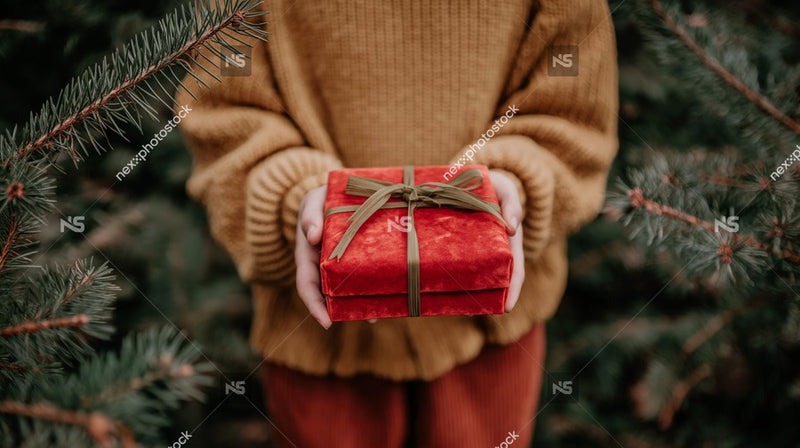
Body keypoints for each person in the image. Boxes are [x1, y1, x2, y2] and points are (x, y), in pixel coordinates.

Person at [177, 0, 618, 446]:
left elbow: (573, 104)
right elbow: (225, 111)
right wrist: (297, 199)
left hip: (490, 334)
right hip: (317, 339)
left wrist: (516, 182)